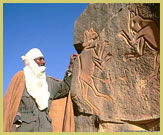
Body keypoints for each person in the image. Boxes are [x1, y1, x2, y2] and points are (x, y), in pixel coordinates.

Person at [3, 48, 77, 132]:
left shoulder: (49, 82)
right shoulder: (20, 78)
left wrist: (71, 66)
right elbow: (9, 106)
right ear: (31, 61)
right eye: (40, 59)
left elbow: (64, 88)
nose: (44, 62)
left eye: (43, 59)